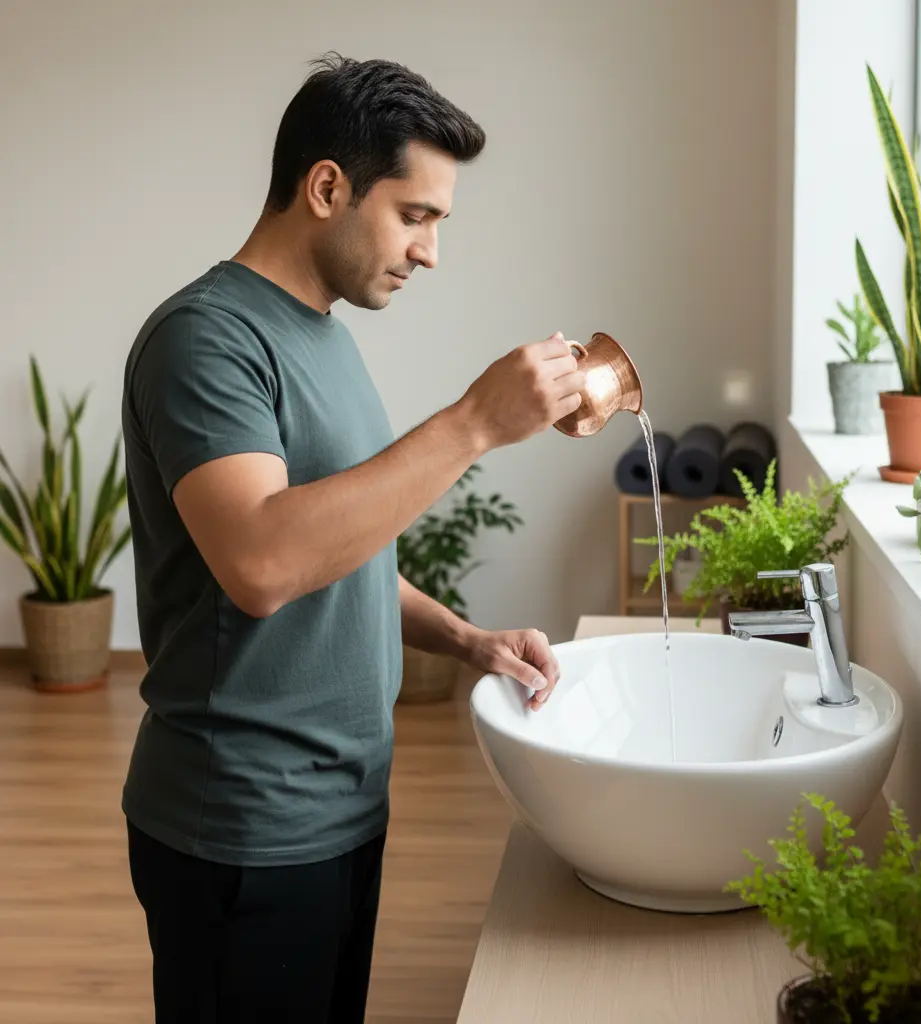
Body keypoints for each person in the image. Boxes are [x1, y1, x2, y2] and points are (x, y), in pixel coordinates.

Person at [120, 52, 584, 1024]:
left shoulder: (321, 333)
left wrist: (468, 640)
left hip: (338, 809)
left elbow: (340, 549)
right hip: (240, 825)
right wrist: (473, 423)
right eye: (415, 216)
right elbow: (261, 561)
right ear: (326, 186)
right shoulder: (206, 338)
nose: (430, 252)